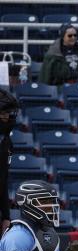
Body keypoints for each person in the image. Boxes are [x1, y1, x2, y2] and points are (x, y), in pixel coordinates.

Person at [0, 89, 19, 238]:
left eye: (7, 112)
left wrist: (6, 216)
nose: (6, 116)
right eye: (2, 112)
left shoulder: (6, 141)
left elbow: (3, 180)